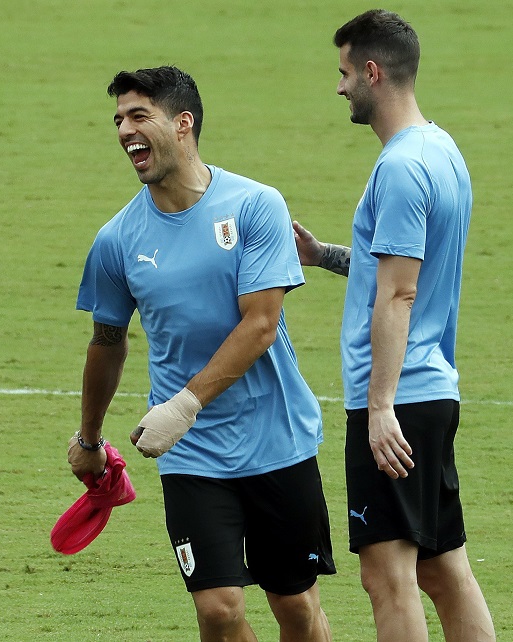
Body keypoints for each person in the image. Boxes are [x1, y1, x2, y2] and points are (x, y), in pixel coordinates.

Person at [68, 65, 334, 642]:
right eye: (118, 119)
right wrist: (89, 441)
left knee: (296, 607)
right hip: (191, 455)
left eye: (139, 116)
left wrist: (182, 406)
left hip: (276, 439)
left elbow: (261, 324)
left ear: (182, 123)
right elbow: (107, 341)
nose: (124, 130)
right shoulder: (116, 239)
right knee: (218, 609)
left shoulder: (255, 205)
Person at [292, 10, 495, 641]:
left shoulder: (401, 168)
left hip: (397, 400)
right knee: (443, 570)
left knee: (388, 577)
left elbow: (401, 292)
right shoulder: (441, 149)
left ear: (373, 72)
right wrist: (323, 255)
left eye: (345, 72)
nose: (340, 87)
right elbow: (399, 266)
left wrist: (380, 406)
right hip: (431, 391)